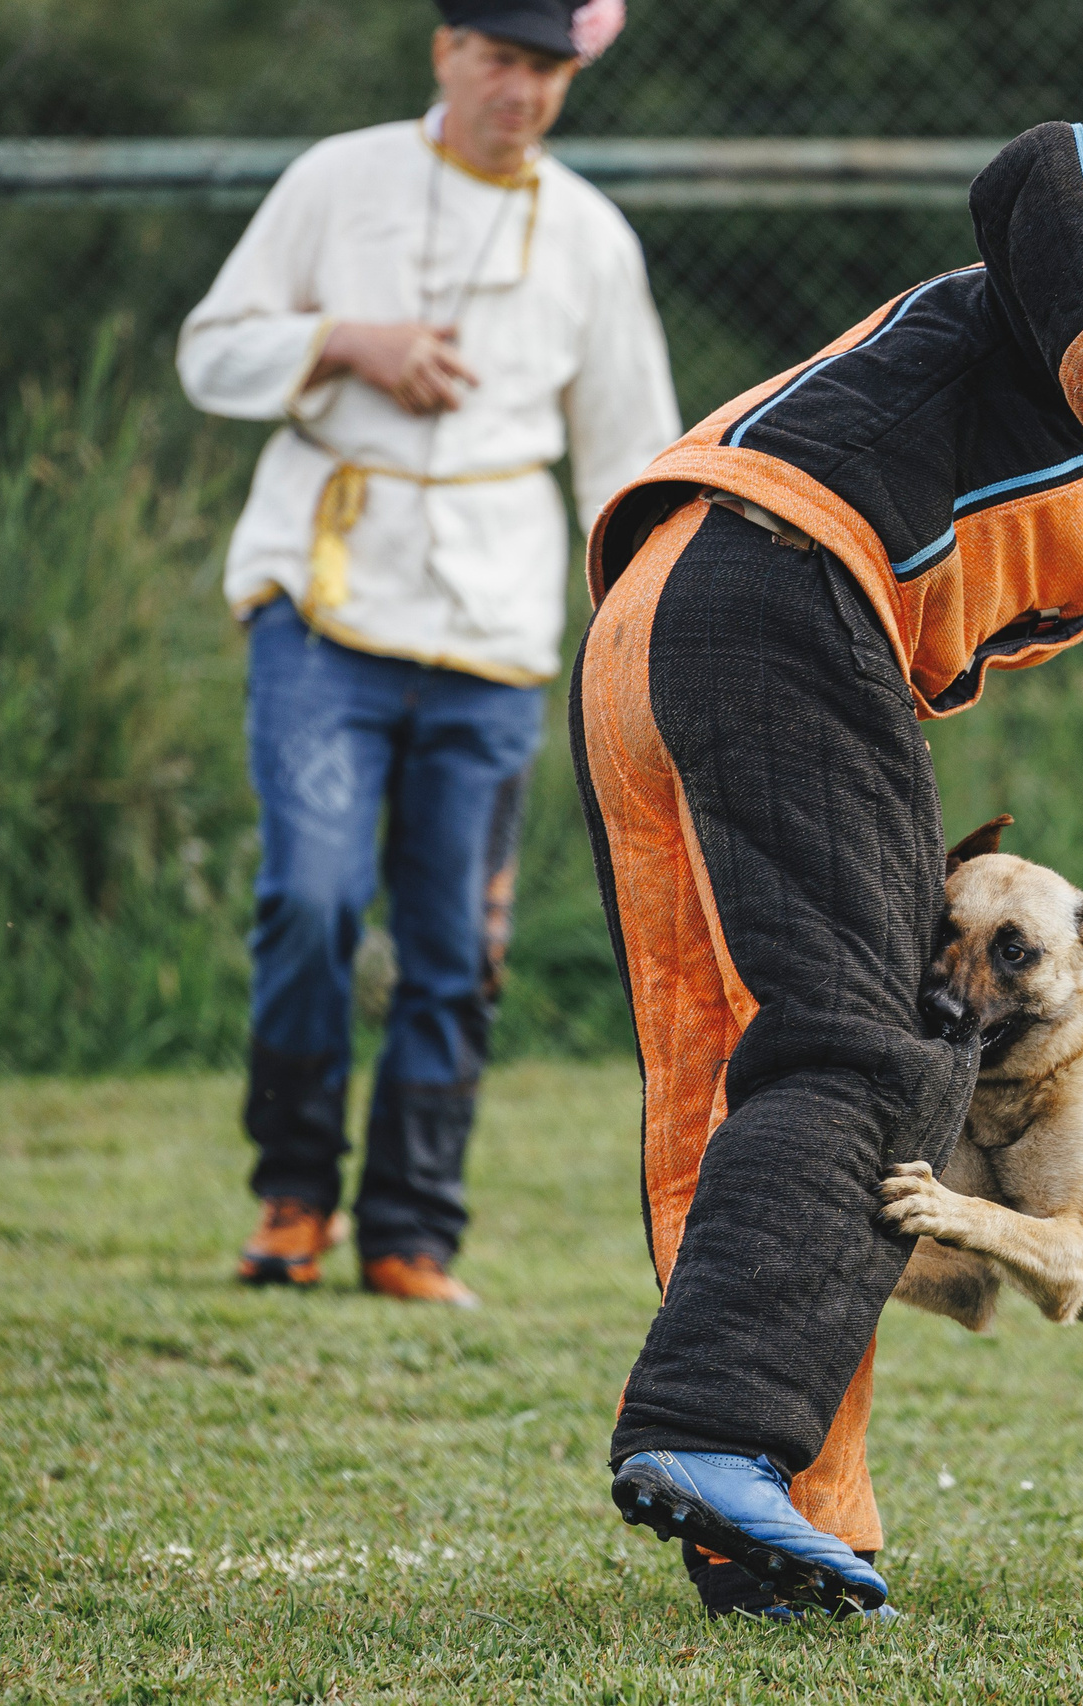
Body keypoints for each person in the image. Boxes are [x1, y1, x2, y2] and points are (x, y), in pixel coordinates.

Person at [573, 120, 1083, 1616]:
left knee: (740, 1076)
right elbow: (1059, 165)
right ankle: (720, 1431)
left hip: (660, 622)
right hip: (783, 585)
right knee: (889, 1047)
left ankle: (779, 1520)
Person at [178, 0, 676, 1307]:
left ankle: (411, 1230)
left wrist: (640, 637)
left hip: (496, 627)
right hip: (324, 599)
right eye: (501, 60)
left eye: (547, 70)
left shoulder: (590, 238)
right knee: (313, 899)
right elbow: (211, 352)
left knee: (457, 943)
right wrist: (346, 342)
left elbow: (633, 459)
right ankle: (293, 1195)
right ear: (446, 50)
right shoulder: (338, 180)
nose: (522, 91)